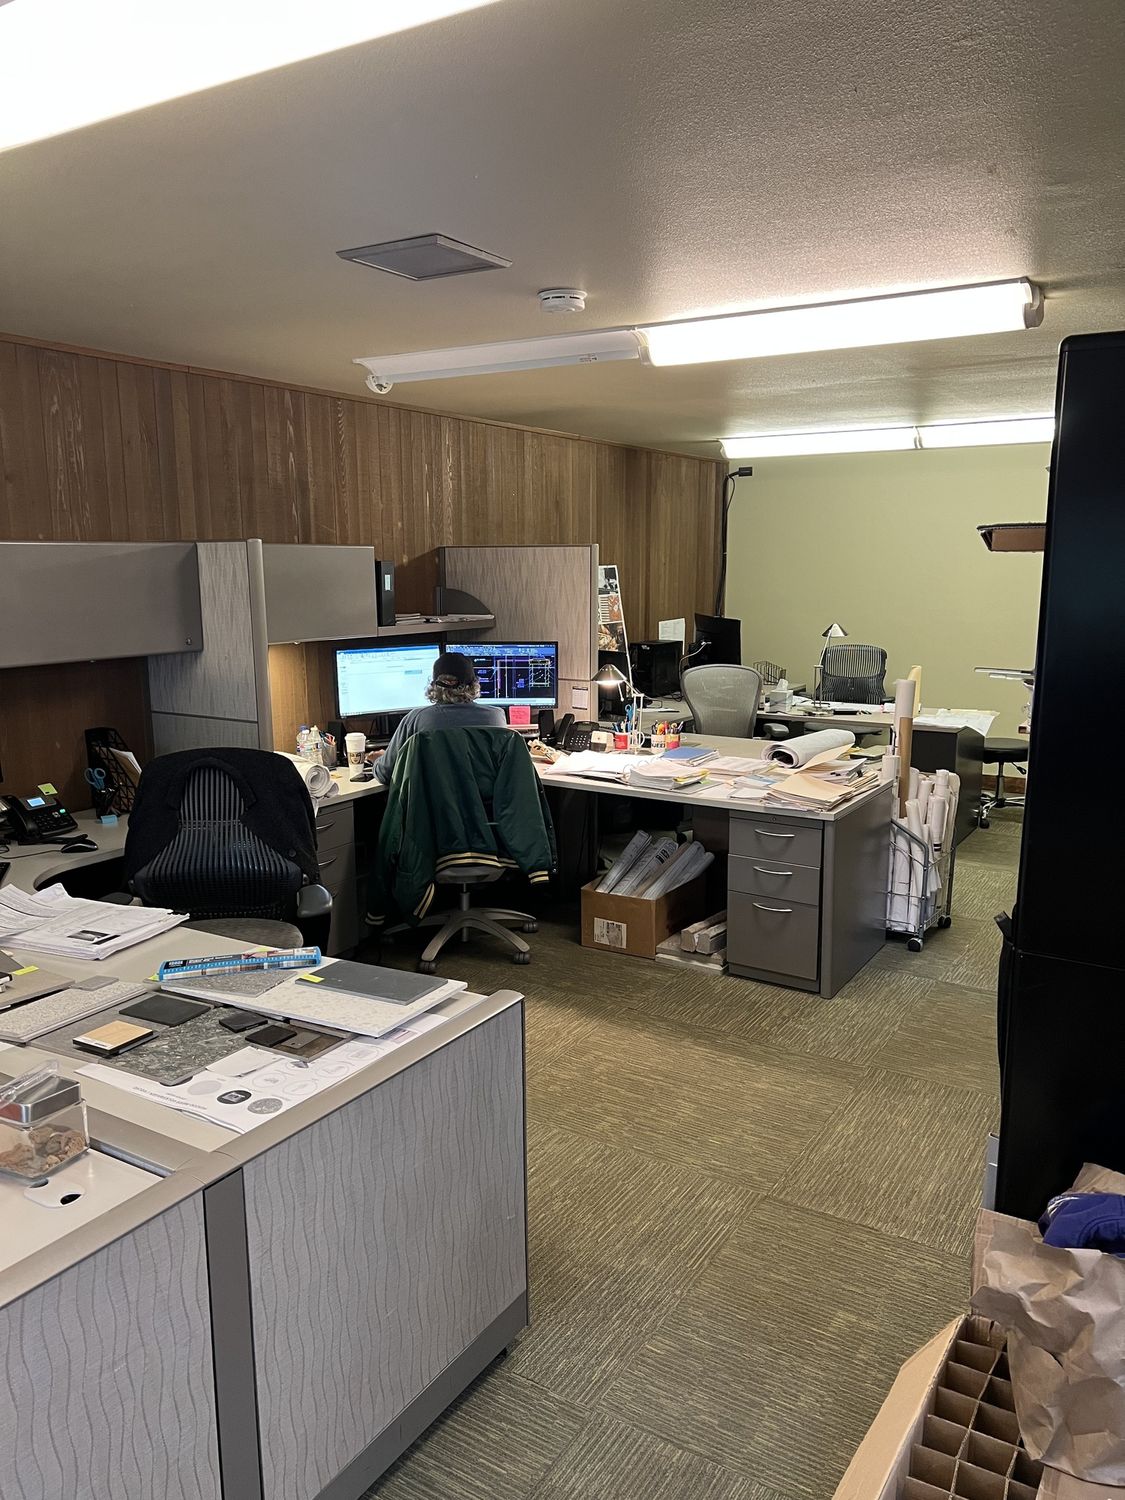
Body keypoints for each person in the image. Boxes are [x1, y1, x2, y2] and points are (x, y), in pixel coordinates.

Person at [373, 651, 506, 785]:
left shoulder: (415, 719)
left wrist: (378, 761)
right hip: (486, 799)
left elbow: (385, 775)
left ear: (434, 686)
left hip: (432, 799)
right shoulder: (496, 717)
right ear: (474, 685)